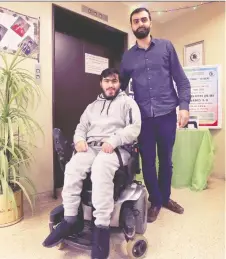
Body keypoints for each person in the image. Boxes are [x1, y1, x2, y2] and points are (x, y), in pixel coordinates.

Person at [42, 68, 141, 259]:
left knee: (100, 168)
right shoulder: (92, 106)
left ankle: (101, 228)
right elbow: (81, 127)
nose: (111, 85)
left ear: (119, 83)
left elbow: (134, 128)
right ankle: (71, 219)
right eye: (107, 81)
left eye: (114, 81)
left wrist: (113, 141)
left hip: (116, 148)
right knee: (72, 167)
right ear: (101, 83)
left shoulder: (128, 103)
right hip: (92, 147)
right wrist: (79, 139)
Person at [120, 7, 191, 223]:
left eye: (143, 20)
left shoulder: (166, 47)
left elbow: (181, 79)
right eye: (135, 21)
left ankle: (166, 197)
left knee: (166, 161)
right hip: (143, 120)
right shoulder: (128, 57)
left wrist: (184, 106)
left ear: (150, 22)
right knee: (148, 162)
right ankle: (156, 200)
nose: (140, 24)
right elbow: (120, 88)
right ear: (132, 26)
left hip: (167, 114)